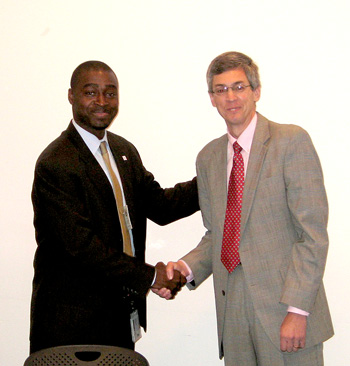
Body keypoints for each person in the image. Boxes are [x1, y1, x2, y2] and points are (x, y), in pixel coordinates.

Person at [156, 51, 334, 365]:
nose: (231, 97)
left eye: (239, 87)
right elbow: (217, 236)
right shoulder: (209, 158)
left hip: (285, 310)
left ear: (256, 91)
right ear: (211, 98)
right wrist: (185, 269)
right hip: (232, 312)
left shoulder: (291, 141)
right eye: (221, 89)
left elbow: (313, 236)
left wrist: (298, 310)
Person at [30, 60, 198, 354]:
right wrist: (151, 277)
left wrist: (217, 177)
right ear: (71, 96)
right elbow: (82, 248)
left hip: (119, 318)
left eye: (110, 93)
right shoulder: (55, 163)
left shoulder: (123, 151)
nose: (101, 102)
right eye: (91, 92)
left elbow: (161, 206)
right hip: (72, 327)